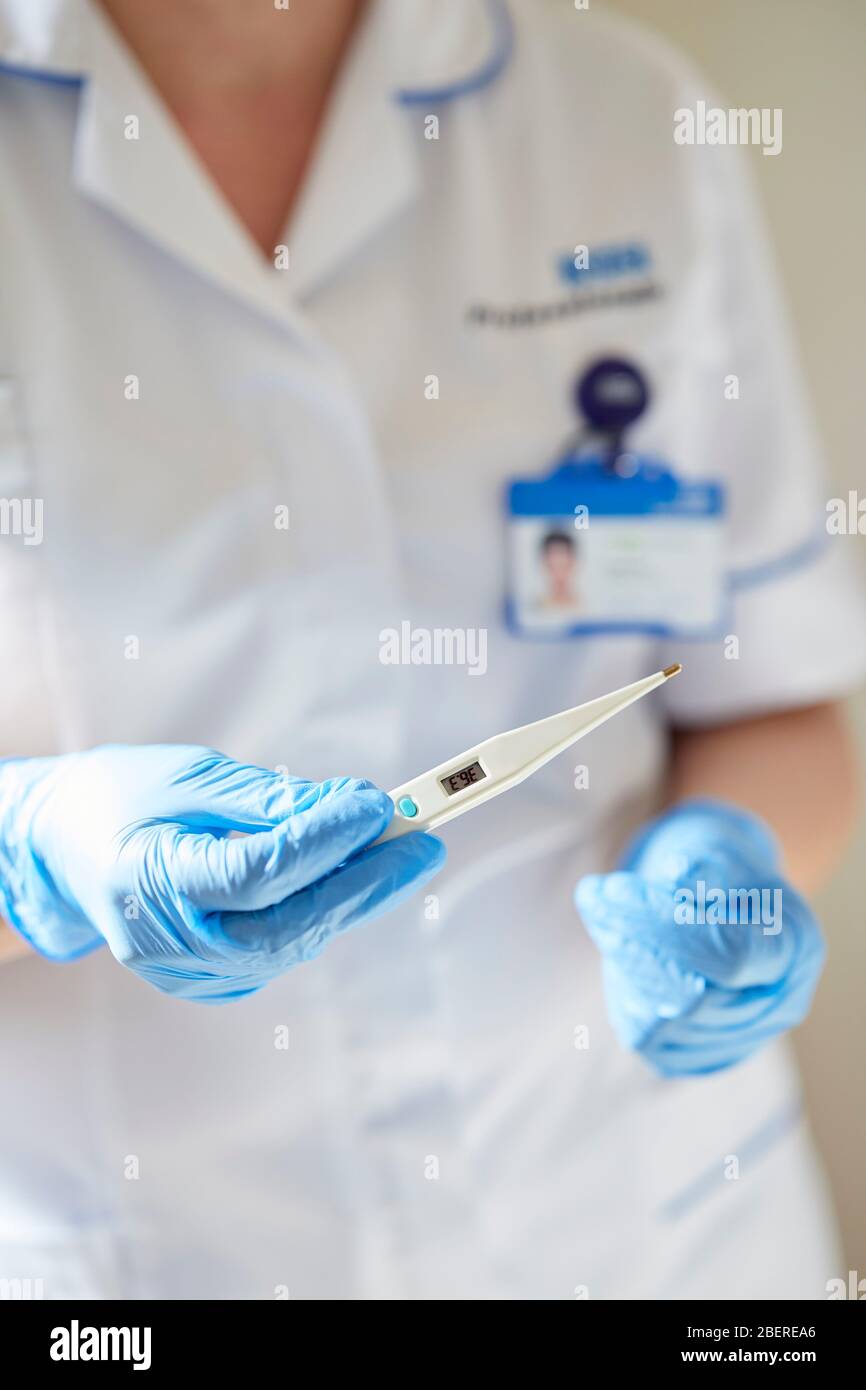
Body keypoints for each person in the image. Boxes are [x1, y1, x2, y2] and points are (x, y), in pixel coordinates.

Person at [0, 0, 863, 1300]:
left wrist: (726, 870)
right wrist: (34, 861)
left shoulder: (620, 115)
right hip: (149, 1265)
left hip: (650, 1230)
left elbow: (773, 708)